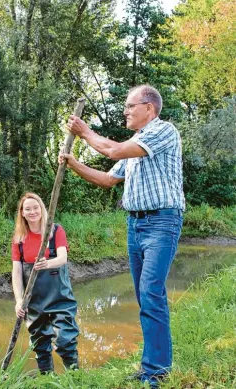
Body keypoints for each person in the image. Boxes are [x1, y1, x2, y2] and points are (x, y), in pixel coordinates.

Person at [59, 85, 185, 388]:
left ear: (149, 109)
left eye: (130, 106)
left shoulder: (163, 131)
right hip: (135, 225)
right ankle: (150, 367)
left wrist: (85, 132)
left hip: (161, 223)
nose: (125, 111)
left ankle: (156, 372)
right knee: (145, 298)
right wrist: (72, 162)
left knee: (152, 294)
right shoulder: (136, 145)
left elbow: (113, 150)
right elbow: (106, 180)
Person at [11, 192, 79, 374]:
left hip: (60, 298)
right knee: (40, 344)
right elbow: (17, 273)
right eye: (28, 209)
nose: (32, 211)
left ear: (42, 209)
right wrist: (19, 301)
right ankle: (47, 380)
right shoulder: (19, 240)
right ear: (22, 213)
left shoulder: (55, 231)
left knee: (65, 340)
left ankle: (75, 378)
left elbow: (63, 258)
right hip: (34, 302)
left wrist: (47, 263)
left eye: (36, 207)